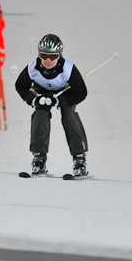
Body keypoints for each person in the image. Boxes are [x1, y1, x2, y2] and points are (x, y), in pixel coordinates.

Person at [15, 34, 89, 176]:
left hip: (66, 92)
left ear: (59, 56)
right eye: (43, 56)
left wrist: (61, 101)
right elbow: (20, 86)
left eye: (53, 57)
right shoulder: (32, 67)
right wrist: (33, 99)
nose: (48, 61)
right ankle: (39, 158)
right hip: (41, 91)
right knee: (40, 114)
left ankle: (79, 158)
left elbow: (81, 92)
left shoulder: (68, 68)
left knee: (69, 116)